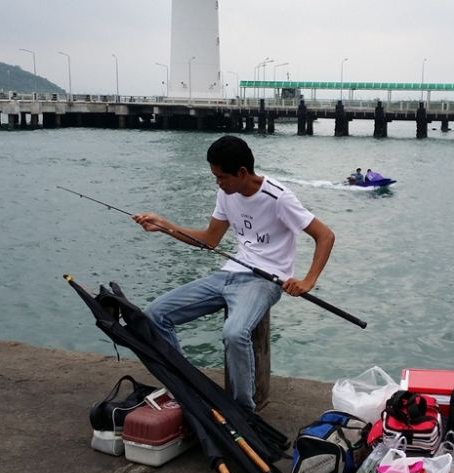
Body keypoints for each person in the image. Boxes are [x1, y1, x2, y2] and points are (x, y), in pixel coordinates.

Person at [132, 135, 335, 412]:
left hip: (265, 280)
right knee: (155, 314)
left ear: (242, 172)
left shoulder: (278, 197)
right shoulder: (226, 194)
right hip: (228, 273)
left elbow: (325, 235)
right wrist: (165, 226)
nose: (218, 183)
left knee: (235, 332)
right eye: (215, 177)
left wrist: (307, 281)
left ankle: (242, 412)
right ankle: (186, 386)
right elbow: (209, 239)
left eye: (222, 177)